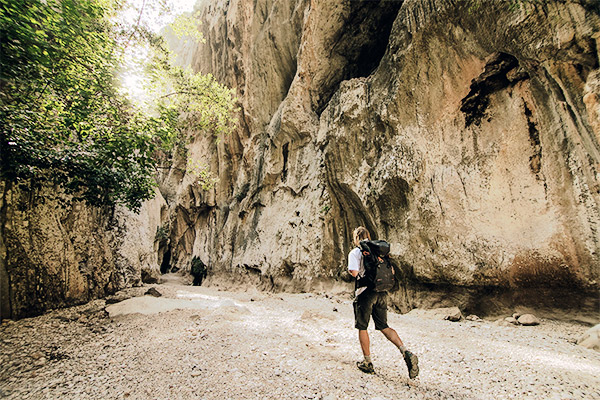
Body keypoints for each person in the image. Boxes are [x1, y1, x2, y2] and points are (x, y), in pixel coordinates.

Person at [348, 226, 419, 378]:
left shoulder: (355, 252)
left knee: (362, 327)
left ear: (356, 238)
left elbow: (354, 273)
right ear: (369, 236)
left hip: (365, 293)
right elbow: (391, 272)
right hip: (381, 292)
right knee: (384, 326)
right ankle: (405, 351)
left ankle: (367, 362)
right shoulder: (380, 252)